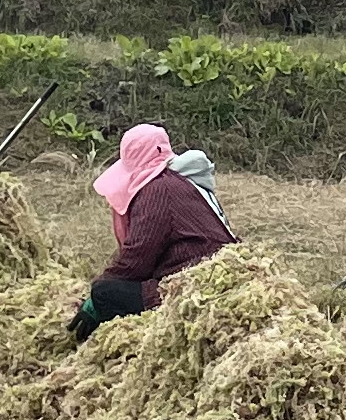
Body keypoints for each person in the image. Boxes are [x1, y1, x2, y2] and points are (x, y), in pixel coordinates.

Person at [71, 121, 230, 345]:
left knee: (105, 293)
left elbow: (136, 259)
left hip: (191, 289)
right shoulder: (182, 181)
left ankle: (112, 346)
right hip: (211, 277)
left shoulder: (158, 190)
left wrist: (96, 296)